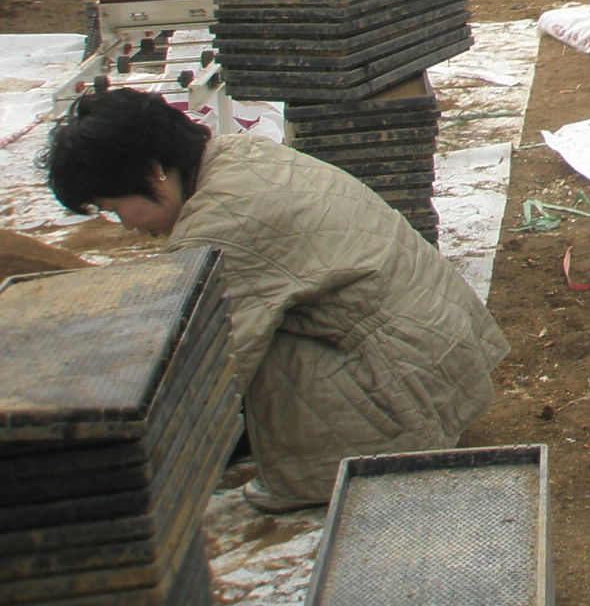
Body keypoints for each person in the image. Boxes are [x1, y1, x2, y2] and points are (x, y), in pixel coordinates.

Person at [44, 87, 508, 512]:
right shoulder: (236, 155)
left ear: (154, 172)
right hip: (440, 355)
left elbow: (200, 374)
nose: (125, 226)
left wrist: (100, 468)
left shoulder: (222, 226)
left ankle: (328, 469)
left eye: (114, 208)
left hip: (404, 389)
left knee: (235, 350)